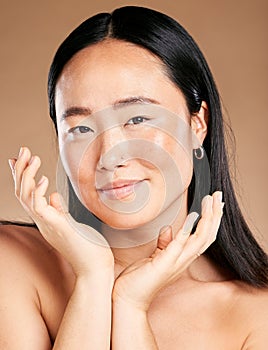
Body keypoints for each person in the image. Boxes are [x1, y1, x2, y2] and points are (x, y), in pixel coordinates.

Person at [1, 5, 268, 349]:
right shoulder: (13, 264)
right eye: (80, 128)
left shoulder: (254, 314)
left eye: (138, 119)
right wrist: (93, 277)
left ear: (197, 123)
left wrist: (130, 304)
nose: (110, 155)